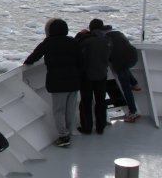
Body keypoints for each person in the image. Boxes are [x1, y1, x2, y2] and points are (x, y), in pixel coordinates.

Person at [23, 18, 81, 147]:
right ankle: (69, 132)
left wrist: (27, 62)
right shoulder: (73, 42)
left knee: (59, 110)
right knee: (70, 109)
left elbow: (35, 55)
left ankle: (63, 136)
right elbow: (80, 60)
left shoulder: (48, 42)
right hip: (74, 81)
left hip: (58, 82)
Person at [75, 19, 112, 134]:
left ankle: (87, 127)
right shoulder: (107, 40)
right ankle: (101, 126)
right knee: (101, 101)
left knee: (86, 101)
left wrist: (81, 34)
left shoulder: (86, 40)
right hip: (102, 74)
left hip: (87, 76)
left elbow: (75, 46)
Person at [103, 24, 141, 122]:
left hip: (120, 61)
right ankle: (135, 84)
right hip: (132, 57)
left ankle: (133, 112)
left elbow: (107, 52)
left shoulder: (105, 38)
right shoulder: (119, 34)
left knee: (126, 89)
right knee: (125, 68)